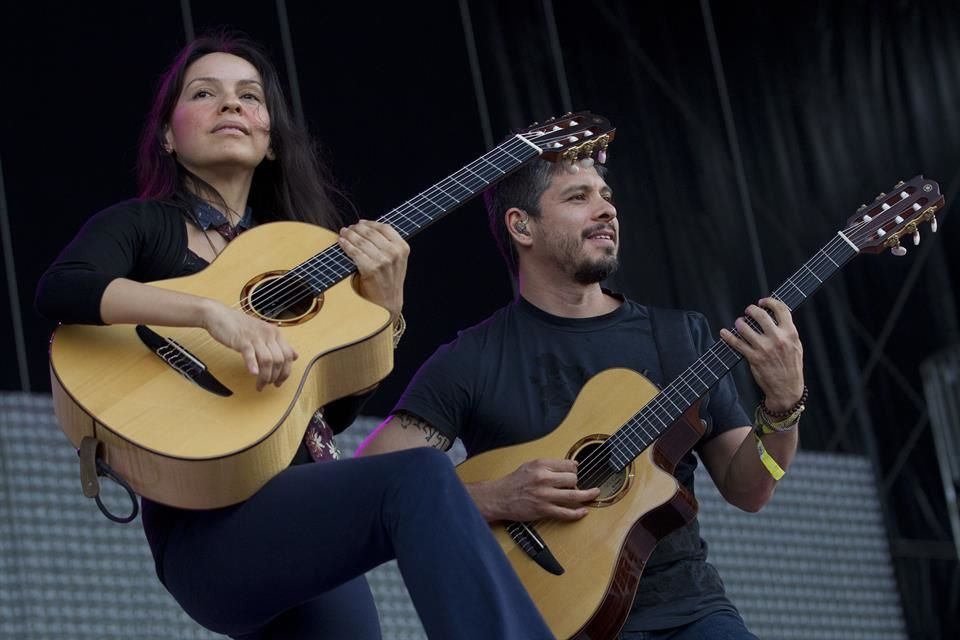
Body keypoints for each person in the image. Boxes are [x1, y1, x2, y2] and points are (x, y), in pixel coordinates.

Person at [35, 32, 553, 640]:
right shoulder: (142, 225)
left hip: (306, 502)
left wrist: (388, 309)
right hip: (207, 528)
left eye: (250, 96)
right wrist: (209, 314)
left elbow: (329, 412)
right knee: (421, 475)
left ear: (272, 140)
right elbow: (63, 289)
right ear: (169, 137)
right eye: (204, 93)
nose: (231, 104)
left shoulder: (297, 250)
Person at [357, 156, 807, 639]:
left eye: (606, 196)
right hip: (548, 620)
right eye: (578, 197)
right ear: (521, 226)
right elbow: (372, 492)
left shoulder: (681, 338)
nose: (606, 209)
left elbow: (750, 491)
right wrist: (496, 497)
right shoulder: (470, 359)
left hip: (690, 615)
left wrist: (783, 407)